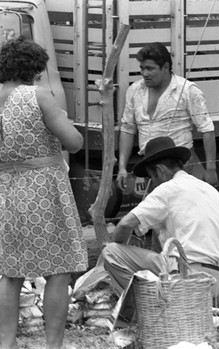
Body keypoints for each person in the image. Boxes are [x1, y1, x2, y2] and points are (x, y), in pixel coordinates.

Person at [0, 37, 87, 349]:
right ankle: (53, 345)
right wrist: (62, 121)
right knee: (58, 270)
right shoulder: (38, 96)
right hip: (43, 189)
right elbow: (74, 142)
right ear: (33, 68)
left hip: (6, 190)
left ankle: (5, 343)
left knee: (11, 274)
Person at [102, 136, 219, 301]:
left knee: (111, 252)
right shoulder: (207, 188)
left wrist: (120, 244)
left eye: (152, 177)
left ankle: (148, 306)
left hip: (191, 279)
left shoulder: (166, 189)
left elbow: (125, 224)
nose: (153, 183)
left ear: (161, 170)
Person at [116, 42, 218, 192]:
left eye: (150, 69)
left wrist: (211, 168)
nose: (145, 74)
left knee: (180, 209)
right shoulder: (135, 90)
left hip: (179, 167)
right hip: (151, 166)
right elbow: (127, 129)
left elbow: (207, 129)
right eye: (142, 68)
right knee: (155, 211)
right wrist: (122, 167)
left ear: (165, 67)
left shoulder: (187, 90)